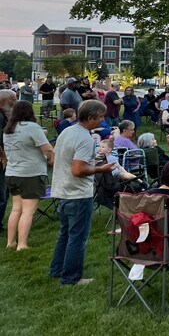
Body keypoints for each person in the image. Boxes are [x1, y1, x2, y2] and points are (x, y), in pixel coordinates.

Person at [50, 100, 116, 285]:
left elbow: (60, 159)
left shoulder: (67, 131)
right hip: (78, 193)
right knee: (77, 237)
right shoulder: (85, 138)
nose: (102, 120)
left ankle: (57, 270)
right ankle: (71, 277)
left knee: (65, 234)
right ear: (90, 118)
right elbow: (78, 170)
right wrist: (100, 169)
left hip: (63, 190)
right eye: (100, 117)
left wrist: (89, 161)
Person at [4, 100, 53, 250]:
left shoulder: (8, 129)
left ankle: (10, 242)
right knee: (28, 210)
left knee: (16, 208)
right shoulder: (32, 127)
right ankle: (22, 244)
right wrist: (52, 160)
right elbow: (47, 149)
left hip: (12, 173)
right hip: (30, 174)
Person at [0, 88, 18, 232]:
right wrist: (3, 157)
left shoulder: (4, 114)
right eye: (13, 100)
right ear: (3, 102)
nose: (15, 103)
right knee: (2, 193)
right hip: (1, 159)